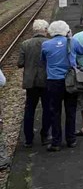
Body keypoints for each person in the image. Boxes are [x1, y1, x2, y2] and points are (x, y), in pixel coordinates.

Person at [41, 20, 83, 152]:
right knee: (71, 110)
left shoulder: (46, 45)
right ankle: (71, 139)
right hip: (71, 80)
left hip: (54, 81)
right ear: (66, 30)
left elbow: (43, 60)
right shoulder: (72, 42)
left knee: (55, 111)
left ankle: (56, 142)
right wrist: (70, 37)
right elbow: (82, 51)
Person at [17, 19, 51, 148]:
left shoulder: (25, 44)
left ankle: (28, 139)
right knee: (47, 108)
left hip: (30, 82)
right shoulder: (49, 43)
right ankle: (45, 136)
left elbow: (20, 63)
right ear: (45, 30)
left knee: (30, 109)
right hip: (46, 80)